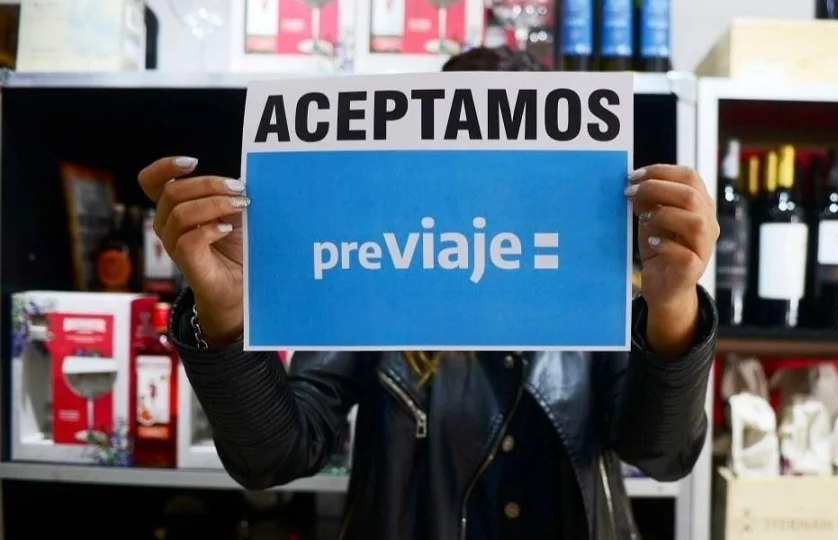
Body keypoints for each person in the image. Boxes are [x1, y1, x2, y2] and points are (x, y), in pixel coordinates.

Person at [137, 47, 720, 540]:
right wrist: (225, 314)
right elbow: (273, 455)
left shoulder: (595, 288)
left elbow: (663, 455)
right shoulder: (369, 272)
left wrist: (673, 307)